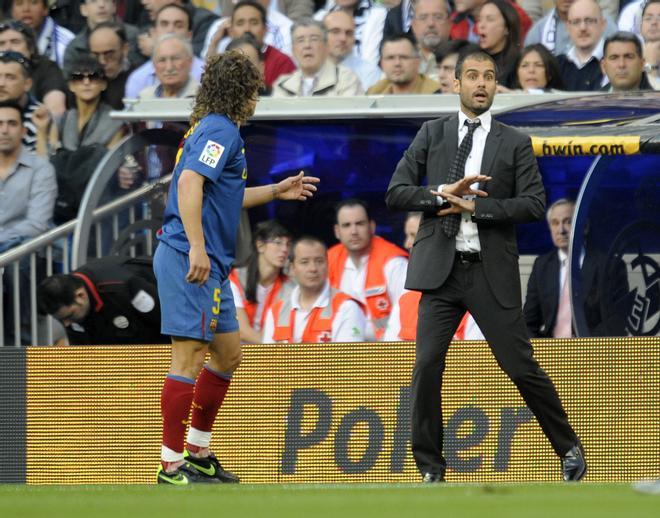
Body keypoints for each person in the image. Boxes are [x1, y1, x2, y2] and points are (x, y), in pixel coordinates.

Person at [385, 48, 586, 482]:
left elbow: (534, 204)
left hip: (489, 271)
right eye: (472, 75)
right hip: (441, 270)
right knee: (426, 365)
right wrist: (440, 193)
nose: (481, 83)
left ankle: (568, 448)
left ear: (497, 86)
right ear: (455, 83)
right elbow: (396, 192)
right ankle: (430, 469)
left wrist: (477, 208)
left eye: (489, 76)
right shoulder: (431, 134)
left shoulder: (514, 141)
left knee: (520, 366)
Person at [152, 49, 319, 484]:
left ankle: (199, 451)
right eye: (255, 89)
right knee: (188, 356)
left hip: (212, 263)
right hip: (190, 258)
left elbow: (220, 194)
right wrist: (196, 247)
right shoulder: (221, 130)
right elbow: (188, 184)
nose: (257, 97)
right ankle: (171, 465)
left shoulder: (211, 129)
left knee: (228, 353)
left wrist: (275, 191)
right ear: (243, 91)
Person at [524, 199, 630, 338]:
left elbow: (617, 320)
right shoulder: (542, 266)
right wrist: (541, 351)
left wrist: (580, 346)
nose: (561, 230)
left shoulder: (610, 266)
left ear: (584, 226)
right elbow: (528, 322)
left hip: (593, 351)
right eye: (555, 223)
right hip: (551, 352)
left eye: (568, 221)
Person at [0, 99, 57, 345]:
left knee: (17, 265)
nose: (4, 130)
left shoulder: (40, 168)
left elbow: (37, 225)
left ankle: (18, 344)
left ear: (23, 131)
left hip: (25, 251)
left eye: (12, 124)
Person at [36, 255, 167, 345]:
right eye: (61, 319)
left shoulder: (124, 287)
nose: (66, 324)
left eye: (70, 315)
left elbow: (169, 323)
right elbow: (84, 353)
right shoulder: (65, 307)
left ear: (80, 295)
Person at [327, 198, 408, 341]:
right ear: (337, 231)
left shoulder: (394, 262)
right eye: (346, 225)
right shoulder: (328, 260)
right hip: (342, 352)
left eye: (360, 224)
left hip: (385, 350)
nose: (354, 231)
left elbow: (406, 314)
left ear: (372, 226)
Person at [262, 235, 367, 343]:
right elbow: (267, 359)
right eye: (304, 262)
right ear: (293, 268)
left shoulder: (347, 308)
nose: (313, 268)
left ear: (327, 265)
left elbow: (348, 358)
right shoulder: (276, 312)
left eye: (319, 261)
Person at [204, 1, 296, 89]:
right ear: (231, 31)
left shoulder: (282, 62)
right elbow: (210, 87)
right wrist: (214, 44)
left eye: (254, 22)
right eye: (240, 23)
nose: (247, 29)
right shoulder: (223, 59)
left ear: (265, 29)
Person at [229, 220, 294, 343]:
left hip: (269, 356)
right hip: (236, 354)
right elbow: (242, 331)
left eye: (288, 244)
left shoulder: (289, 286)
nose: (285, 249)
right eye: (278, 242)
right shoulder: (235, 279)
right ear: (260, 245)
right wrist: (272, 349)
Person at [125, 3, 205, 99]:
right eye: (164, 24)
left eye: (178, 25)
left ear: (189, 35)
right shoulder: (138, 78)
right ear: (154, 32)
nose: (170, 30)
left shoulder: (207, 74)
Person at [272, 18, 363, 96]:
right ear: (293, 49)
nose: (307, 45)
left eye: (314, 39)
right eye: (301, 40)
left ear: (326, 46)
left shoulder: (346, 79)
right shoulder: (282, 85)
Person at [57, 55, 126, 151]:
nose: (86, 82)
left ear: (103, 84)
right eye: (79, 77)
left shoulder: (115, 122)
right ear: (71, 86)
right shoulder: (62, 120)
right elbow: (45, 161)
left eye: (93, 77)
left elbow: (111, 163)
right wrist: (41, 131)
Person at [0, 20, 67, 117]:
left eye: (15, 42)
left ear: (30, 48)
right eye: (1, 43)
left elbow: (56, 112)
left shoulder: (46, 67)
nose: (8, 48)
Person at [62, 0, 144, 78]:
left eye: (106, 0)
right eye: (94, 1)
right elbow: (70, 82)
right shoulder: (75, 47)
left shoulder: (133, 36)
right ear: (83, 9)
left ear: (114, 6)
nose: (101, 5)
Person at [556, 0, 609, 91]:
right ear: (568, 27)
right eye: (576, 22)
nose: (583, 28)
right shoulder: (557, 65)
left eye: (589, 21)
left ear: (603, 24)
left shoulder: (615, 62)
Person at [322, 10, 381, 91]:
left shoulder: (369, 73)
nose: (343, 38)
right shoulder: (308, 70)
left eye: (349, 33)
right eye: (335, 32)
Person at [367, 33, 440, 94]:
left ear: (417, 62)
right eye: (390, 58)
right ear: (382, 64)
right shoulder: (373, 93)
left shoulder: (436, 93)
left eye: (404, 57)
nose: (397, 63)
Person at [10, 0, 75, 67]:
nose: (26, 9)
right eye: (19, 3)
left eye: (33, 2)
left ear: (45, 9)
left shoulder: (67, 43)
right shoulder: (4, 41)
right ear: (12, 11)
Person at [88, 22, 136, 108]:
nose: (102, 61)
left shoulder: (139, 79)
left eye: (108, 54)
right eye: (96, 55)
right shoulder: (85, 80)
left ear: (125, 49)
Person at [476, 0, 521, 89]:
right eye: (479, 19)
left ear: (507, 28)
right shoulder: (469, 58)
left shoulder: (519, 63)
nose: (481, 25)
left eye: (490, 19)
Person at [138, 33, 198, 99]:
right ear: (154, 65)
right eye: (162, 60)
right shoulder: (144, 98)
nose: (169, 67)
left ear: (190, 62)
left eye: (175, 58)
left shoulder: (204, 97)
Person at [409, 0, 451, 78]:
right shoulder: (401, 60)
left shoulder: (463, 60)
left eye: (438, 17)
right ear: (413, 25)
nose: (431, 23)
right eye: (423, 18)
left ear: (450, 23)